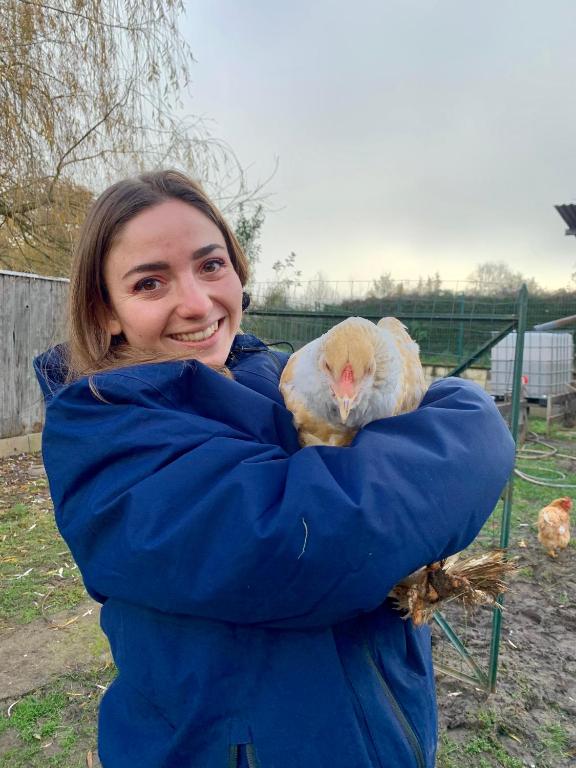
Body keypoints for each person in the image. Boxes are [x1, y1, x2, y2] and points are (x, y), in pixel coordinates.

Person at [34, 169, 515, 768]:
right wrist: (473, 416)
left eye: (211, 266)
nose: (197, 301)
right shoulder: (103, 429)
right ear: (106, 311)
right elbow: (308, 538)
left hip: (387, 732)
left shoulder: (271, 373)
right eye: (151, 283)